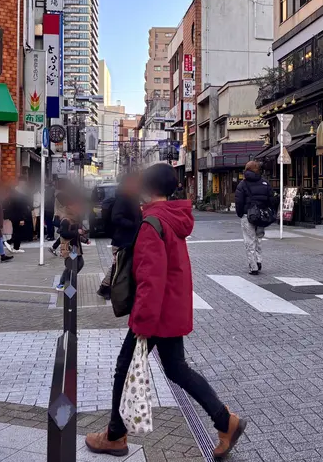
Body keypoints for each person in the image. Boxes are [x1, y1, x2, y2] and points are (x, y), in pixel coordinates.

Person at [85, 164, 246, 459]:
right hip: (171, 309)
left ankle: (114, 436)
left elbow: (151, 279)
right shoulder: (173, 217)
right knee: (176, 368)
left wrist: (141, 322)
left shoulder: (152, 224)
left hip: (154, 315)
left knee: (124, 368)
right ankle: (226, 421)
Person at [98, 173, 142, 299]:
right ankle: (105, 288)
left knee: (120, 265)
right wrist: (133, 224)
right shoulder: (123, 198)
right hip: (122, 239)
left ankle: (108, 288)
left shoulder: (131, 197)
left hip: (128, 239)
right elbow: (116, 217)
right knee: (119, 266)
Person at [235, 161, 274, 275]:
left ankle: (253, 266)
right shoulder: (265, 183)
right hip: (262, 216)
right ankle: (259, 260)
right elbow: (271, 200)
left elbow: (239, 202)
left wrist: (240, 213)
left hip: (248, 215)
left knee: (249, 241)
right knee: (259, 239)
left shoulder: (242, 184)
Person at [56, 194, 86, 291]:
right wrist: (76, 232)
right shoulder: (66, 220)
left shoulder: (74, 219)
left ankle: (65, 283)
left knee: (78, 264)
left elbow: (77, 234)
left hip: (75, 247)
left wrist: (85, 239)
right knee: (71, 267)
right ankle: (65, 285)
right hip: (70, 248)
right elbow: (63, 234)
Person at [7, 178, 33, 253]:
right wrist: (21, 218)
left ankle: (13, 244)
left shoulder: (14, 194)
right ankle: (14, 246)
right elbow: (19, 207)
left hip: (15, 215)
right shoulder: (17, 195)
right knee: (17, 231)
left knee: (16, 231)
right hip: (18, 216)